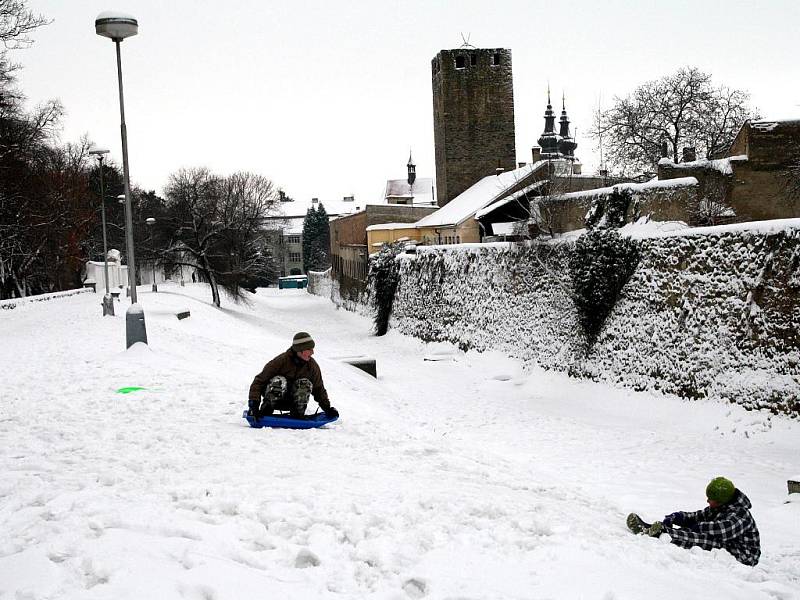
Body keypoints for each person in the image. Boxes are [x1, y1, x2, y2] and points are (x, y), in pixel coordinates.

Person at [626, 476, 760, 566]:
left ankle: (662, 534)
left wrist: (699, 527)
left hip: (744, 555)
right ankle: (657, 529)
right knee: (695, 531)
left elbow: (723, 530)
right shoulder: (720, 507)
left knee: (705, 539)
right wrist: (679, 517)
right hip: (729, 543)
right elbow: (698, 516)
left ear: (721, 500)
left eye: (710, 499)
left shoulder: (741, 513)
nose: (708, 501)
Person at [248, 331, 338, 420]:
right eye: (309, 349)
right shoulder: (281, 361)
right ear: (300, 350)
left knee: (304, 383)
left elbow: (319, 389)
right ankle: (266, 410)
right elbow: (259, 381)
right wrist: (254, 403)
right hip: (275, 400)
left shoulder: (312, 366)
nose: (312, 352)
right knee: (279, 380)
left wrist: (328, 408)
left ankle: (297, 414)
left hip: (294, 403)